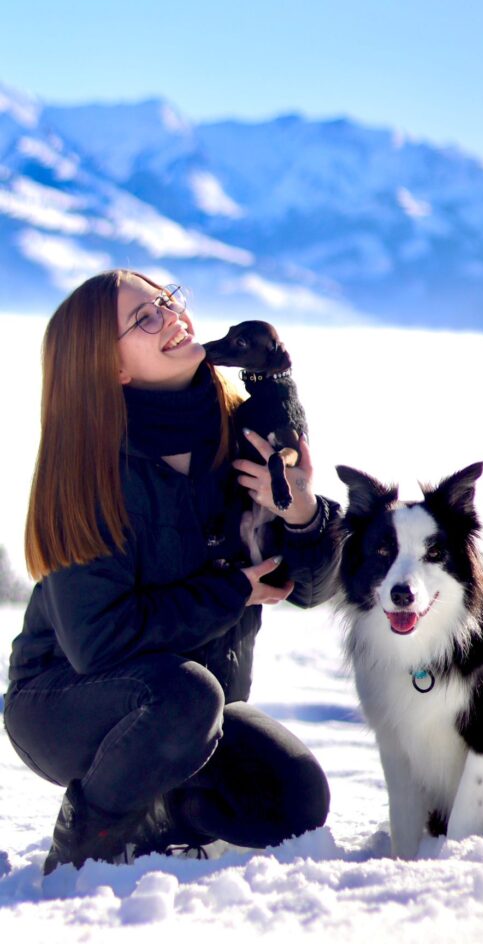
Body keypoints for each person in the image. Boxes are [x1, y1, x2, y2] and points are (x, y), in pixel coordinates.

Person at [3, 271, 341, 874]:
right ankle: (84, 845)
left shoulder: (242, 439)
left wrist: (302, 513)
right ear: (111, 368)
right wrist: (232, 591)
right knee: (185, 696)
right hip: (66, 703)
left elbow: (311, 589)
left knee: (295, 798)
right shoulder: (90, 471)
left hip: (196, 715)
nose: (173, 317)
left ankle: (164, 814)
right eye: (145, 318)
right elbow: (99, 643)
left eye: (167, 301)